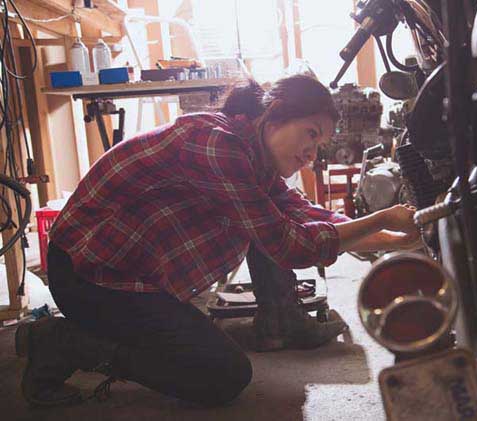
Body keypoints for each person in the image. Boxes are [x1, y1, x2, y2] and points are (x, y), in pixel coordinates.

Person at [15, 75, 420, 408]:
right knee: (222, 376)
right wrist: (383, 217)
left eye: (318, 145)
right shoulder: (217, 144)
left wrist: (403, 238)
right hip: (90, 278)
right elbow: (288, 245)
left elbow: (315, 219)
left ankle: (282, 320)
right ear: (275, 115)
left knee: (273, 222)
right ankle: (69, 343)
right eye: (309, 135)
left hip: (133, 277)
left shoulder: (256, 159)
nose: (310, 154)